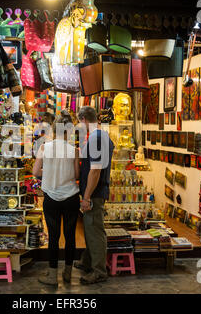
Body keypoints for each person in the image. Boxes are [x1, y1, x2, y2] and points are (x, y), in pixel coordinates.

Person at [32, 110, 80, 286]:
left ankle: (52, 275)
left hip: (51, 197)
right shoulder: (74, 150)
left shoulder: (45, 147)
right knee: (70, 235)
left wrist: (49, 172)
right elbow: (76, 174)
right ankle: (68, 272)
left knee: (53, 236)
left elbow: (35, 172)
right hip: (71, 197)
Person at [75, 106, 114, 284]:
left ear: (83, 119)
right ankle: (88, 261)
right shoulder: (99, 136)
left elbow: (95, 171)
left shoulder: (97, 139)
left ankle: (99, 271)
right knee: (90, 229)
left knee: (95, 230)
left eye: (78, 122)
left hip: (95, 192)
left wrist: (87, 197)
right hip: (95, 191)